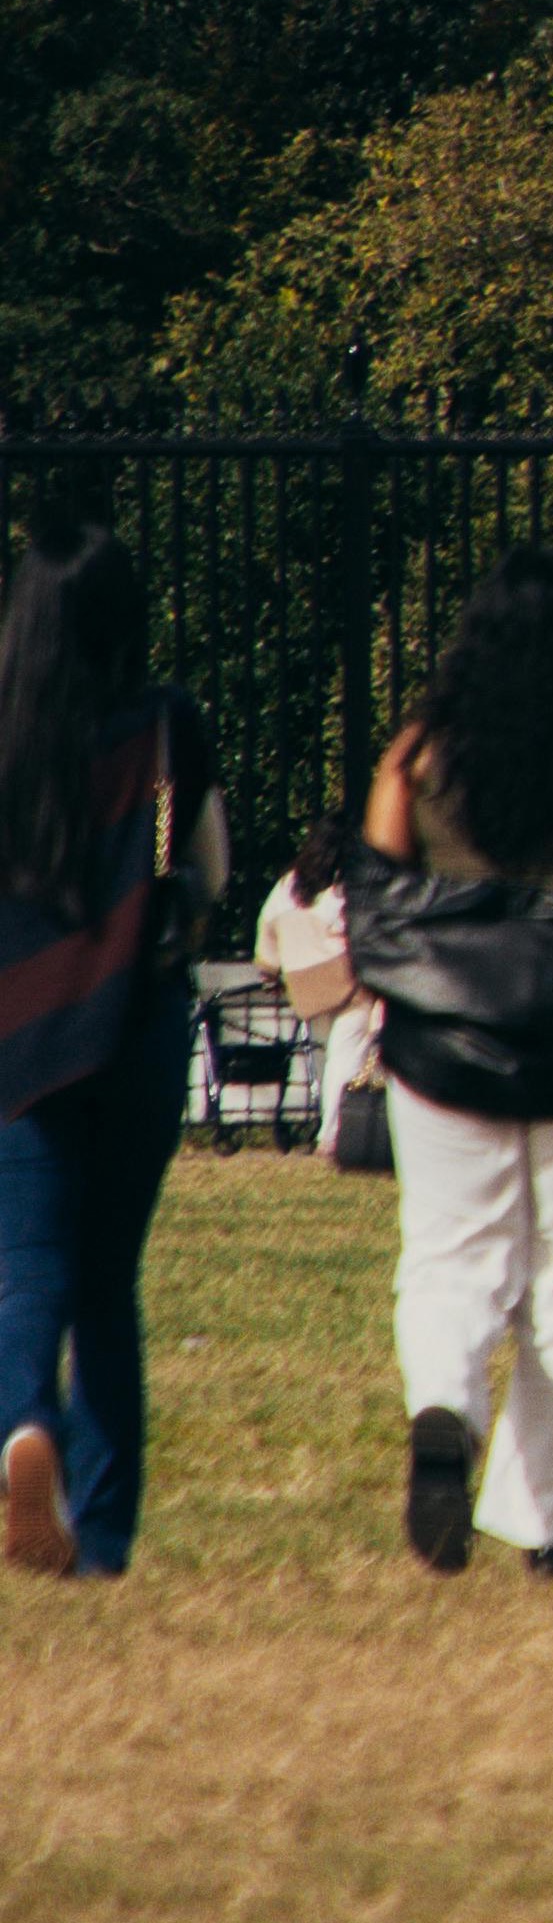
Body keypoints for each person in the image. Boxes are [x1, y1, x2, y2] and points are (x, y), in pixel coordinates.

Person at [354, 543, 553, 1580]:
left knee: (452, 1254)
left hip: (445, 1050)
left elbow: (375, 902)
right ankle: (550, 1529)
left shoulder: (419, 758)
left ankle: (446, 1404)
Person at [0, 526, 223, 1581]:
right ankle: (106, 1534)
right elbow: (207, 868)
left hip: (18, 1028)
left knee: (26, 1264)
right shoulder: (167, 722)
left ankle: (17, 1426)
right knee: (107, 1281)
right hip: (134, 1019)